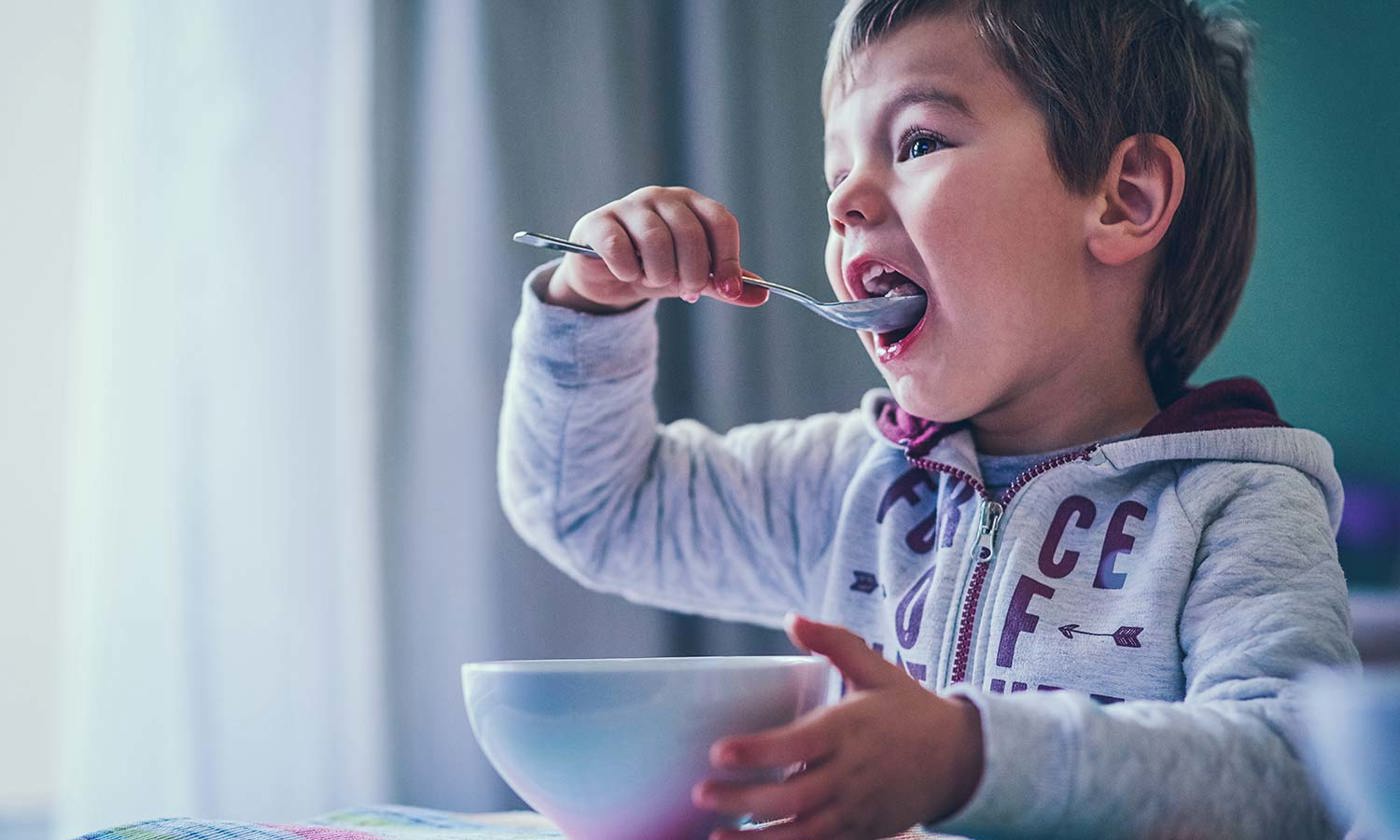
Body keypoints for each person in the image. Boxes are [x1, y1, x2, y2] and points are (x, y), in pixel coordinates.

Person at [497, 1, 1358, 837]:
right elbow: (591, 509)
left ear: (1124, 197)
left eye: (918, 142)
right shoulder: (844, 484)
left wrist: (971, 763)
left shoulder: (1238, 506)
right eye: (837, 173)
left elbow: (1298, 775)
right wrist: (591, 309)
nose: (844, 204)